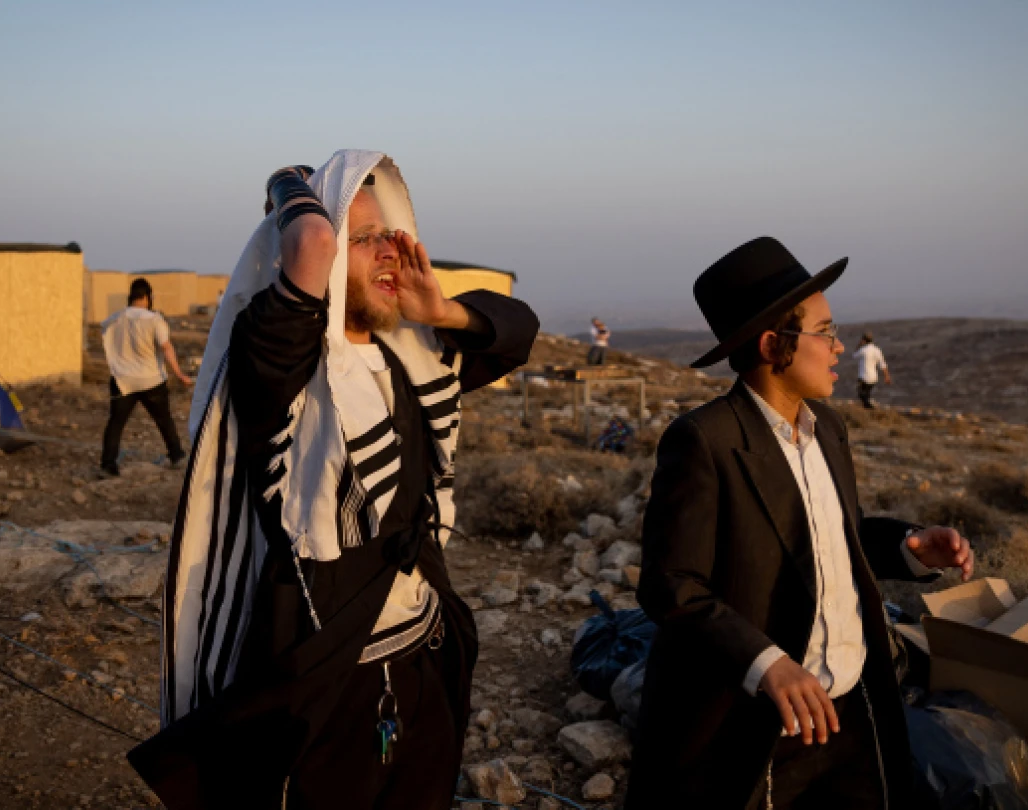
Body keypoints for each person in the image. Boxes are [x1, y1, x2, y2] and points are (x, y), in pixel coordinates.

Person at [129, 151, 538, 809]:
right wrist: (288, 185)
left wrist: (445, 312)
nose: (388, 253)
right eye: (365, 237)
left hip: (427, 655)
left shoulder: (415, 353)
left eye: (391, 235)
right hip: (333, 678)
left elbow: (519, 331)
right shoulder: (279, 364)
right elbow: (312, 239)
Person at [626, 236, 973, 809]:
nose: (838, 346)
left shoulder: (829, 428)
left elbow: (834, 535)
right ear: (774, 344)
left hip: (850, 715)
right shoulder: (705, 441)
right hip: (757, 727)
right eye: (825, 331)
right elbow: (672, 586)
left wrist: (910, 548)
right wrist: (767, 665)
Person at [99, 278, 191, 475]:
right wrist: (179, 373)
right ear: (148, 297)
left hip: (122, 380)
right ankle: (176, 456)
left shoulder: (115, 318)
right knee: (164, 419)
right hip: (152, 380)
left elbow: (104, 331)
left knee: (116, 423)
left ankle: (108, 465)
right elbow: (166, 347)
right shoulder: (154, 320)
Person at [854, 332, 890, 409]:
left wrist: (859, 345)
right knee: (867, 394)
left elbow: (854, 355)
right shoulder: (877, 350)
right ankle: (869, 408)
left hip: (863, 376)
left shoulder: (863, 350)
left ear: (864, 340)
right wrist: (886, 376)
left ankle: (870, 408)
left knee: (862, 395)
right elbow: (882, 364)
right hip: (873, 377)